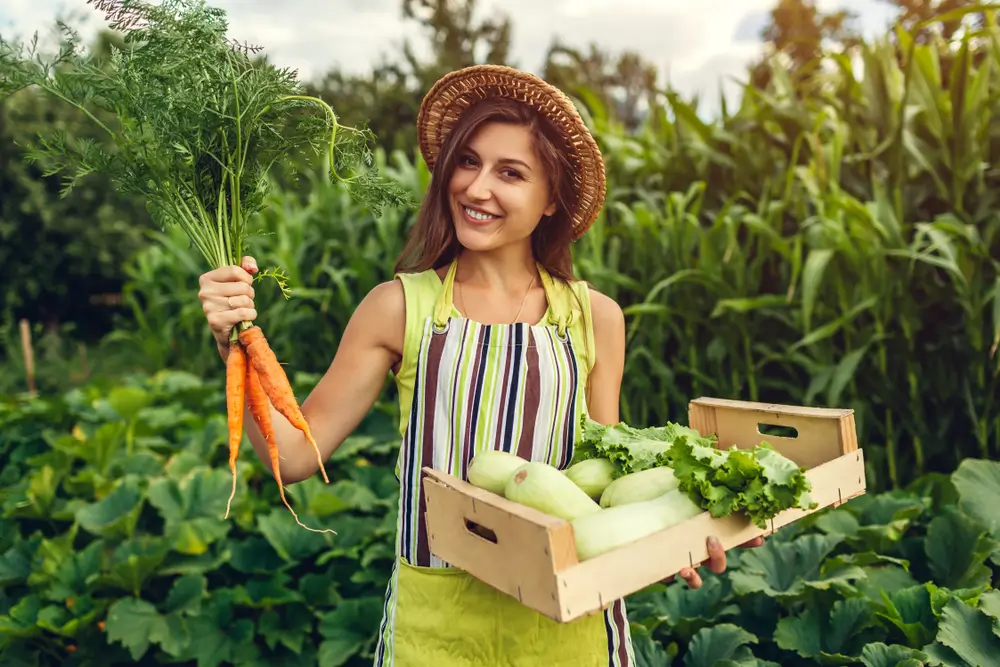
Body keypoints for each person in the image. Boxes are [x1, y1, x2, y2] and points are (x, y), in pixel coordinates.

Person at [197, 64, 763, 667]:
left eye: (511, 173)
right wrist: (236, 341)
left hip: (568, 623)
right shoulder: (399, 308)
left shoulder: (594, 318)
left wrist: (674, 533)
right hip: (438, 626)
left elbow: (606, 479)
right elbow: (295, 457)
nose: (476, 187)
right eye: (467, 162)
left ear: (551, 202)